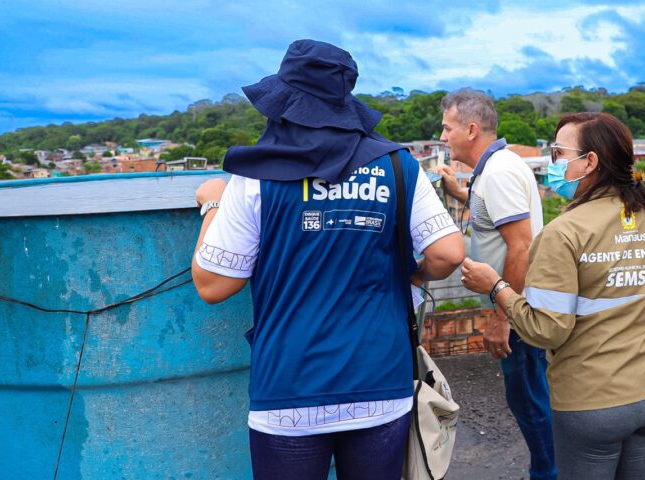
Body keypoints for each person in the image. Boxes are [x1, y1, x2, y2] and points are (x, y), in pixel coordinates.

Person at [191, 39, 465, 480]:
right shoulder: (397, 165)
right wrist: (408, 273)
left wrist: (213, 205)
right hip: (381, 380)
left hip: (290, 387)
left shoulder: (254, 177)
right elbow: (449, 252)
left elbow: (213, 285)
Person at [460, 112, 645, 480]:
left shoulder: (563, 232)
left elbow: (547, 330)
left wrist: (496, 286)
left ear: (590, 162)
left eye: (558, 153)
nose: (552, 164)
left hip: (594, 403)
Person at [432, 89, 556, 480]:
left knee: (529, 399)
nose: (442, 136)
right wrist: (460, 193)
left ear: (470, 129)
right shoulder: (497, 167)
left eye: (447, 128)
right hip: (515, 302)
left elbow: (521, 245)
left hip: (516, 307)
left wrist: (503, 316)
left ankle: (549, 473)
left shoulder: (499, 172)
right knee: (528, 394)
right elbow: (496, 218)